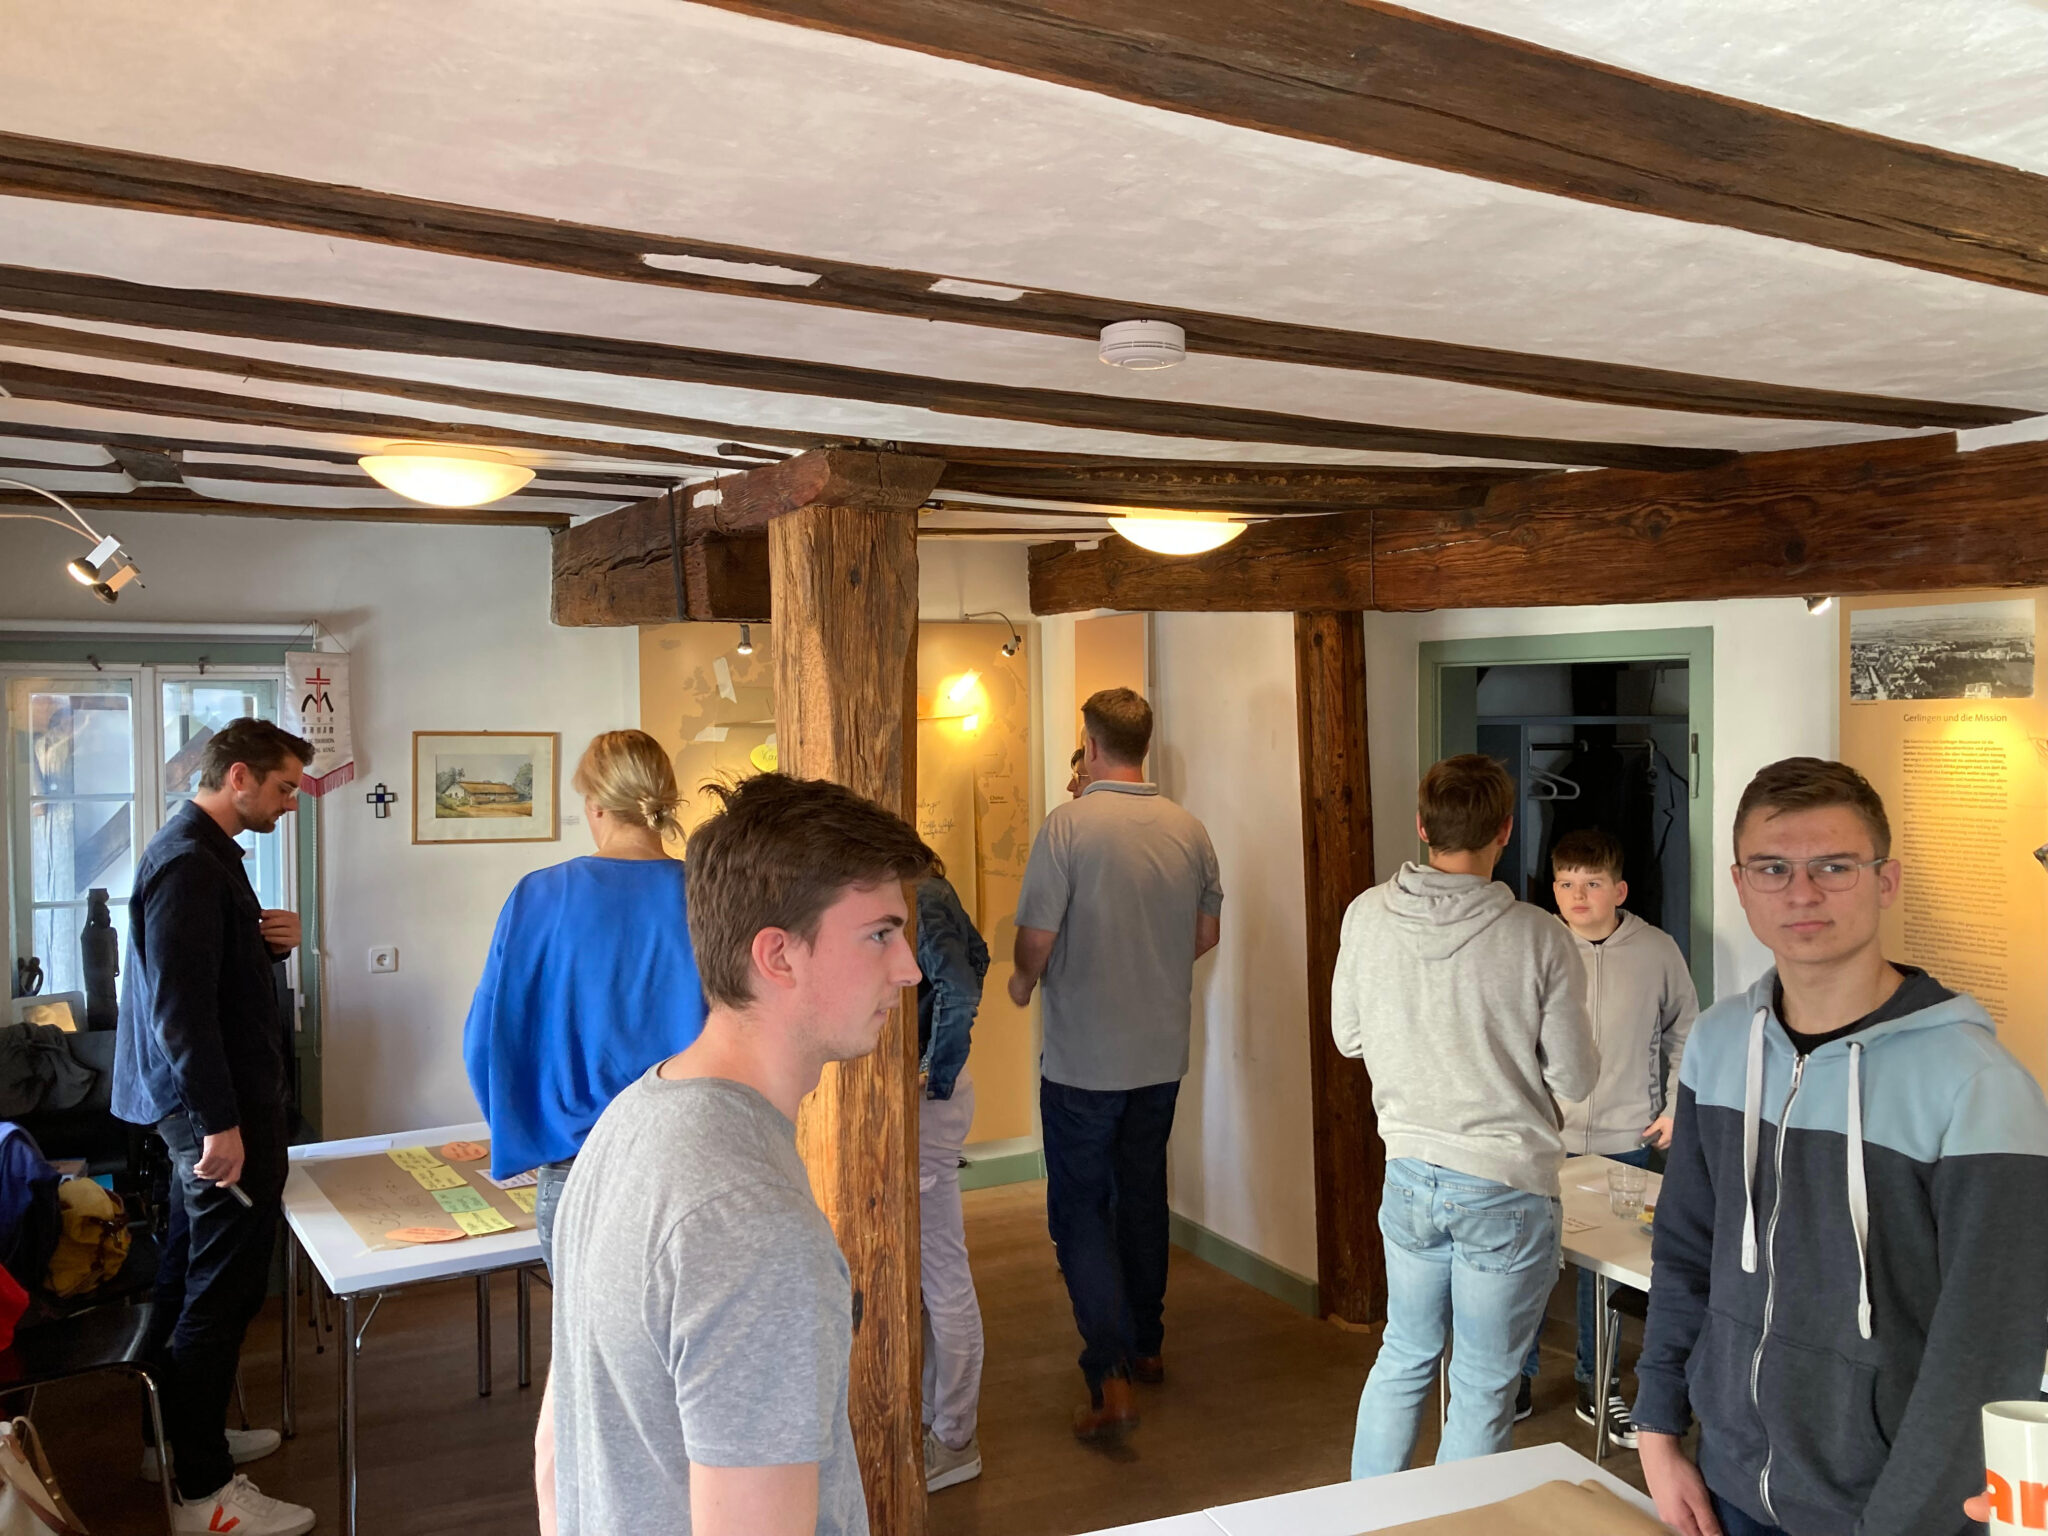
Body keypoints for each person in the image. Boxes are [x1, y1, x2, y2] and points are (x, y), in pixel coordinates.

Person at [1635, 758, 2048, 1536]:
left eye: (1834, 866)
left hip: (1888, 1511)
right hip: (1728, 1489)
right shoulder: (1719, 1044)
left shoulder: (1979, 1085)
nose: (1801, 892)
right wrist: (1657, 1428)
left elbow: (1989, 1352)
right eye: (1773, 868)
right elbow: (1686, 1250)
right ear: (1740, 884)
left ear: (1885, 881)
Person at [546, 772, 935, 1536]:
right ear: (778, 956)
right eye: (879, 935)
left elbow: (553, 1452)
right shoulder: (751, 1227)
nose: (909, 968)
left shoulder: (629, 1120)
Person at [1334, 753, 1596, 1476]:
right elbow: (1576, 1076)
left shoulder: (1366, 915)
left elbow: (1348, 1036)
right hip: (1504, 1182)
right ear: (1505, 830)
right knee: (1481, 1382)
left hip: (1408, 1171)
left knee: (1404, 1353)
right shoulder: (1540, 936)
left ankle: (1366, 1521)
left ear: (1423, 827)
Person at [113, 718, 316, 1536]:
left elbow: (206, 979)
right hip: (212, 1116)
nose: (291, 802)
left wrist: (270, 950)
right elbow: (180, 1012)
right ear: (239, 777)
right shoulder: (191, 864)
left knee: (187, 1277)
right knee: (222, 1293)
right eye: (284, 787)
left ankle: (172, 1443)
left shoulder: (204, 855)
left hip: (204, 1110)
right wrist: (219, 1125)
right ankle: (203, 1494)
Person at [1010, 687, 1222, 1440]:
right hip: (1160, 1054)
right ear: (1145, 743)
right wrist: (1150, 968)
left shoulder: (1067, 827)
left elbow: (1036, 938)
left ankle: (1108, 1375)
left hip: (1083, 1061)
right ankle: (1148, 1345)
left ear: (1091, 743)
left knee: (1079, 1210)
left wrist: (1023, 979)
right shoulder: (1189, 830)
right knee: (1141, 1195)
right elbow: (1206, 933)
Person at [462, 728, 708, 1272]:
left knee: (587, 1328)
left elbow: (484, 1043)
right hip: (694, 1166)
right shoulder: (712, 897)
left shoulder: (539, 896)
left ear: (595, 803)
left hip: (577, 1164)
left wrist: (533, 1133)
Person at [1516, 827, 1697, 1441]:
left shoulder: (1657, 951)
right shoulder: (1536, 943)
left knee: (1609, 1274)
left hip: (1627, 1134)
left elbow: (1686, 1033)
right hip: (1548, 1137)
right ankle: (1517, 1378)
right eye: (1566, 883)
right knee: (1531, 1261)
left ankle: (1598, 1387)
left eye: (1592, 883)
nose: (1578, 896)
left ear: (1618, 890)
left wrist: (1675, 1108)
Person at [915, 874, 991, 1492]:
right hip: (932, 1098)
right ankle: (935, 1421)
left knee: (941, 1274)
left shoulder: (917, 893)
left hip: (927, 1103)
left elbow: (961, 987)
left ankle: (954, 1438)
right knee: (933, 1272)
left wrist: (931, 1074)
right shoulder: (928, 887)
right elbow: (979, 957)